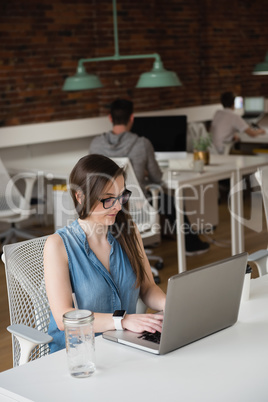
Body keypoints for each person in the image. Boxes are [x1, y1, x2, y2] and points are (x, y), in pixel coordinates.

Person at [44, 154, 166, 353]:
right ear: (80, 197)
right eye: (108, 199)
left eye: (121, 196)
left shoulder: (129, 232)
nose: (118, 206)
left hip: (122, 345)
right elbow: (63, 318)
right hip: (78, 354)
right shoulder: (58, 245)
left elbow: (148, 287)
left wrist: (172, 306)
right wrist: (123, 321)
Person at [89, 98, 210, 256]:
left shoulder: (96, 145)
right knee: (171, 201)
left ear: (110, 118)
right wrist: (144, 174)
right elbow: (157, 177)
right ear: (132, 118)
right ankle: (191, 245)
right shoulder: (142, 143)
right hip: (135, 205)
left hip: (105, 206)